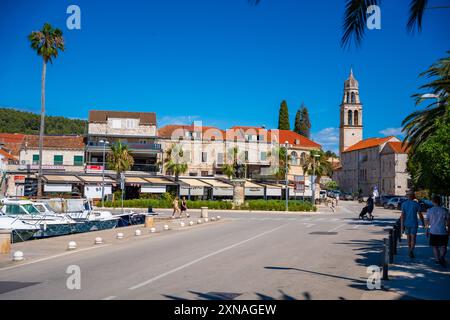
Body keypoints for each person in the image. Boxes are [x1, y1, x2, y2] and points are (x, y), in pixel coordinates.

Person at [425, 195, 450, 267]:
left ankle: (437, 260)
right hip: (442, 231)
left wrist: (427, 230)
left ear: (433, 201)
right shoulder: (445, 210)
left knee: (435, 246)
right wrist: (449, 230)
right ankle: (442, 257)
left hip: (433, 231)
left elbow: (427, 221)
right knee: (443, 246)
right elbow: (448, 222)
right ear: (440, 201)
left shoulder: (429, 210)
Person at [401, 192, 425, 258]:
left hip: (406, 223)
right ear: (413, 197)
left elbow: (402, 216)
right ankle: (411, 250)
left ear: (407, 197)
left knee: (408, 238)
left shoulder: (404, 204)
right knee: (413, 238)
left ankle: (409, 250)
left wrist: (402, 226)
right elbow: (420, 214)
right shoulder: (416, 204)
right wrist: (423, 222)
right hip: (414, 223)